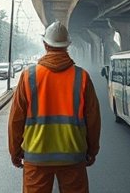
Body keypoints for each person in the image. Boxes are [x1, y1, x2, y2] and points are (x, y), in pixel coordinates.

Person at [8, 21, 101, 193]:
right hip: (73, 156)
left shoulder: (28, 76)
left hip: (36, 158)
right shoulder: (82, 77)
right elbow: (93, 119)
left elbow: (16, 119)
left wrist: (14, 151)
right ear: (67, 46)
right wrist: (92, 149)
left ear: (45, 44)